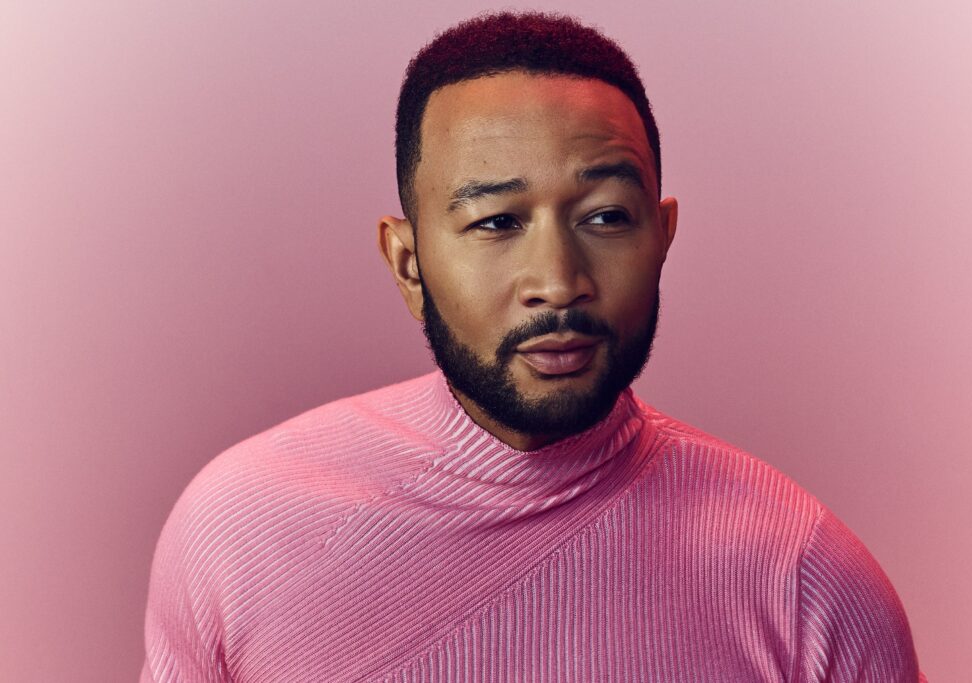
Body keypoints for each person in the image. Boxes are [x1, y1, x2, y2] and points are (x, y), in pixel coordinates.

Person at [141, 11, 925, 682]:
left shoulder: (804, 576)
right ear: (409, 264)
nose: (557, 281)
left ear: (662, 237)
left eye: (606, 216)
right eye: (496, 221)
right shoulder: (238, 530)